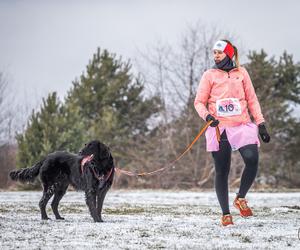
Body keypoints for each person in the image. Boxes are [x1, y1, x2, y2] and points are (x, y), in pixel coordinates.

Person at [194, 39, 270, 226]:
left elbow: (252, 99)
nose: (216, 56)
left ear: (228, 53)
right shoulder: (209, 75)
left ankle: (240, 198)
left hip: (242, 125)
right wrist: (207, 117)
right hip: (219, 127)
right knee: (222, 170)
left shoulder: (241, 72)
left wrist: (261, 123)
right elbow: (199, 102)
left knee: (252, 159)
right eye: (214, 53)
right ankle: (226, 213)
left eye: (219, 52)